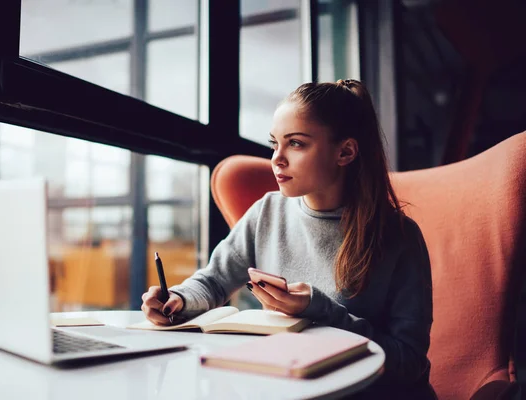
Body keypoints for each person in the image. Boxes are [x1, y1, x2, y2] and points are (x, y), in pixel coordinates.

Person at [141, 79, 436, 399]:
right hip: (293, 388)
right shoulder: (267, 212)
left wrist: (319, 309)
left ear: (346, 151)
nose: (277, 159)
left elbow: (408, 363)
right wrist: (179, 300)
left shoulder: (399, 237)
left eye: (295, 143)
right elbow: (213, 282)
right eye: (274, 144)